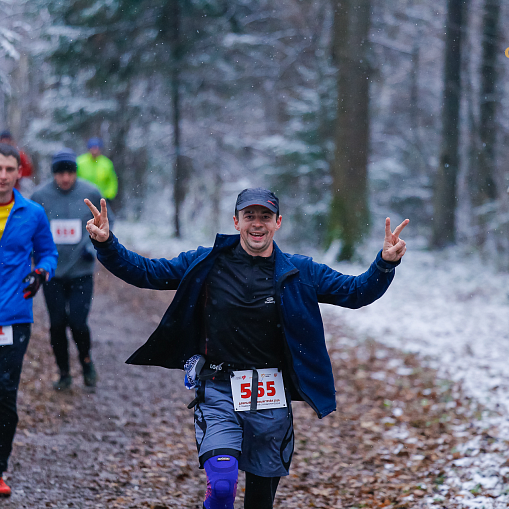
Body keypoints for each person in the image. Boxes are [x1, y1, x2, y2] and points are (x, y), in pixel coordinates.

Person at [84, 188, 409, 509]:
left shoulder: (300, 271)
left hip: (271, 396)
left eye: (265, 217)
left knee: (259, 501)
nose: (257, 223)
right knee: (223, 484)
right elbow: (148, 273)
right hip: (218, 390)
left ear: (278, 222)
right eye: (249, 216)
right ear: (236, 221)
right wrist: (106, 244)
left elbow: (354, 293)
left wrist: (383, 265)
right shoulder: (207, 263)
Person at [0, 143, 58, 497]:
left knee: (5, 394)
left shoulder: (33, 212)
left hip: (13, 317)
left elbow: (48, 252)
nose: (2, 176)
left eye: (8, 169)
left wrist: (41, 273)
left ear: (18, 173)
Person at [31, 149, 101, 390]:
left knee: (79, 322)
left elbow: (106, 224)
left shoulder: (89, 192)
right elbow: (29, 229)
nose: (65, 178)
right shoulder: (40, 196)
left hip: (81, 271)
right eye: (60, 172)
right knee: (57, 323)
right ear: (54, 174)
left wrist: (92, 248)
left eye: (70, 172)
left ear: (75, 172)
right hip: (53, 272)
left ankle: (87, 362)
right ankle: (64, 373)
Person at [77, 137, 118, 201]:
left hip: (102, 198)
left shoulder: (106, 163)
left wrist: (109, 196)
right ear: (89, 149)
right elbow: (75, 179)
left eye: (96, 148)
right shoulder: (80, 162)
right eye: (92, 148)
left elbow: (112, 181)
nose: (94, 151)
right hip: (83, 198)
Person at [0, 130, 34, 195]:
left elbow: (28, 170)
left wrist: (14, 173)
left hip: (16, 187)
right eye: (3, 141)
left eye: (7, 141)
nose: (5, 143)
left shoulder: (19, 154)